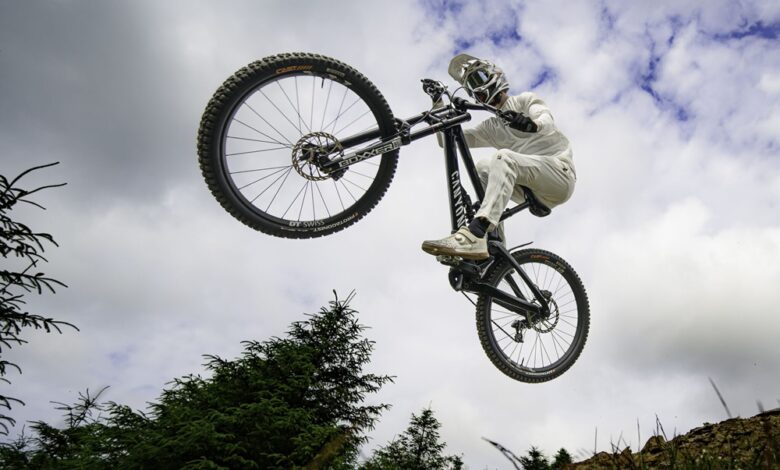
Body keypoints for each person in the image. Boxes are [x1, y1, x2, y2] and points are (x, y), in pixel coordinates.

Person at [421, 54, 576, 260]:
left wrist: (532, 124)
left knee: (503, 157)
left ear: (495, 76)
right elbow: (445, 139)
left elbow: (545, 118)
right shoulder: (491, 127)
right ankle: (494, 249)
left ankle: (476, 232)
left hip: (559, 175)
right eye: (472, 86)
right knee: (483, 168)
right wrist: (437, 101)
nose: (478, 88)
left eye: (479, 78)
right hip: (528, 187)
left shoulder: (523, 101)